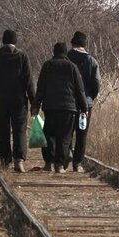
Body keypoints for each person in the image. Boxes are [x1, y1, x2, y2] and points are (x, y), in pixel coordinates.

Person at [32, 42, 87, 173]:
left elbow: (40, 88)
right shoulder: (72, 67)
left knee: (49, 135)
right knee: (65, 137)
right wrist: (84, 107)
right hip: (68, 108)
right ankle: (59, 165)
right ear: (65, 53)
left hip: (50, 107)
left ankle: (49, 162)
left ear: (54, 52)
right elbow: (80, 90)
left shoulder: (47, 66)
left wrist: (36, 105)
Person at [0, 29, 35, 172]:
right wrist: (34, 102)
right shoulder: (22, 56)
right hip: (19, 100)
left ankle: (4, 161)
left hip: (1, 99)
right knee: (19, 129)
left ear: (3, 40)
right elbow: (29, 81)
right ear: (15, 41)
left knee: (3, 129)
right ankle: (19, 160)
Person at [67, 31, 101, 173]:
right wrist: (90, 98)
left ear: (72, 43)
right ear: (84, 45)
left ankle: (64, 158)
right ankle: (77, 163)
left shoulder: (66, 58)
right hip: (85, 104)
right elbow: (97, 83)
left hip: (68, 102)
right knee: (82, 133)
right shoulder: (91, 61)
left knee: (66, 131)